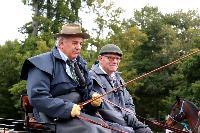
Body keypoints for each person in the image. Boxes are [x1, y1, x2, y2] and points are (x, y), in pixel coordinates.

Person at [20, 24, 112, 133]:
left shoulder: (80, 64)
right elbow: (37, 97)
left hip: (78, 113)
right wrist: (66, 108)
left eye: (80, 43)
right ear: (61, 43)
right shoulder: (41, 63)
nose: (79, 47)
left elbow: (86, 91)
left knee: (107, 128)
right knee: (92, 130)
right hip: (50, 116)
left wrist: (93, 98)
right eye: (75, 43)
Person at [89, 44, 152, 133]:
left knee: (146, 131)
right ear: (100, 59)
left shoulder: (118, 79)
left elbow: (129, 103)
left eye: (117, 58)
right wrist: (125, 121)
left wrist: (130, 116)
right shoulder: (92, 78)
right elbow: (105, 110)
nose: (114, 61)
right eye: (110, 58)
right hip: (104, 123)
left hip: (125, 121)